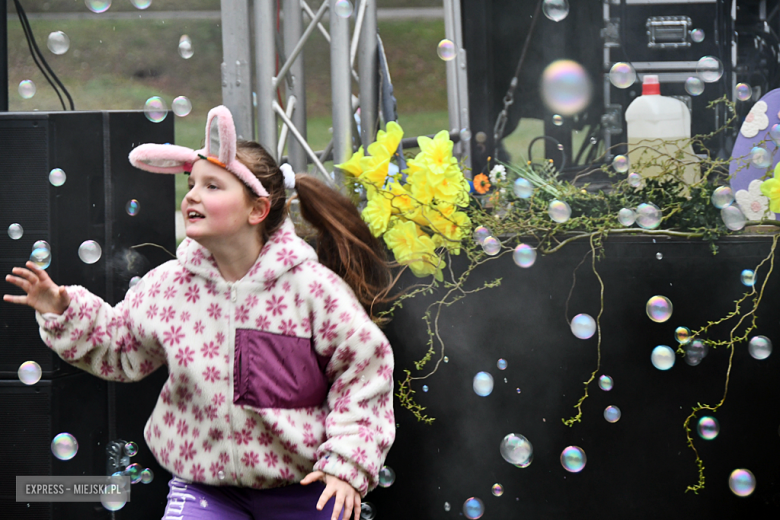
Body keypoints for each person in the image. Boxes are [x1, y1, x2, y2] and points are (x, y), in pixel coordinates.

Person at [3, 106, 395, 520]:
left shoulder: (312, 291)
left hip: (305, 490)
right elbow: (121, 346)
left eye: (212, 186)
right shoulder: (171, 286)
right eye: (191, 184)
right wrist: (63, 309)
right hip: (206, 491)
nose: (191, 195)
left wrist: (347, 467)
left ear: (256, 211)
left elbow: (365, 373)